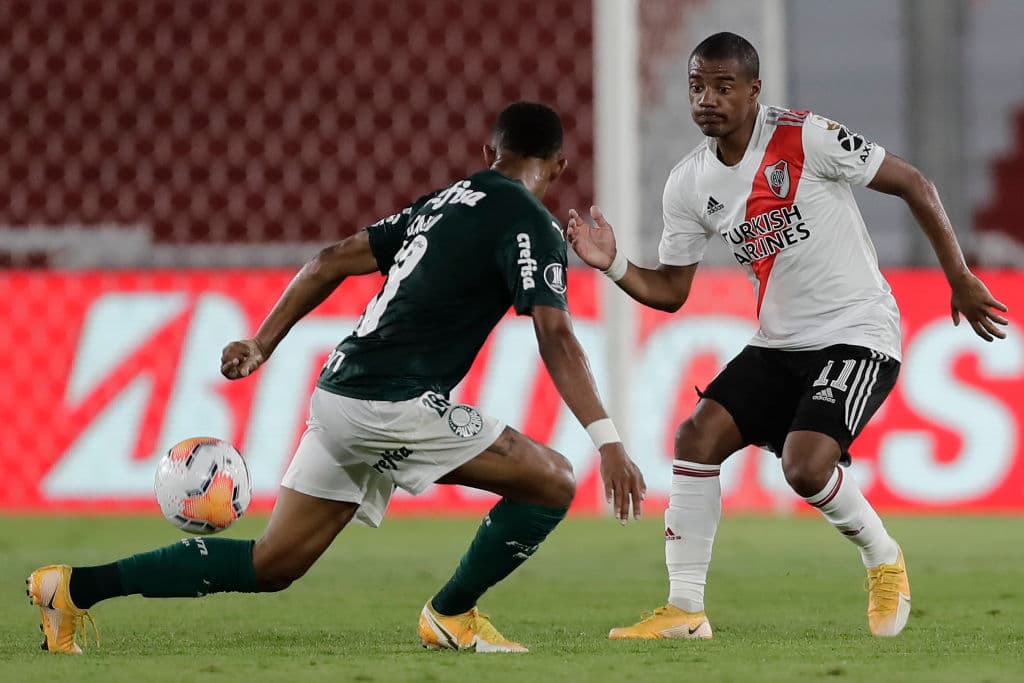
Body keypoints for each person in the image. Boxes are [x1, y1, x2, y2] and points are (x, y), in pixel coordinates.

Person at [27, 101, 646, 655]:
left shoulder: (440, 203)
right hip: (392, 403)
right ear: (559, 167)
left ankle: (73, 588)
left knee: (273, 563)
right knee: (554, 482)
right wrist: (609, 441)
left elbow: (330, 260)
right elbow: (555, 333)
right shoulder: (531, 223)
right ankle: (452, 614)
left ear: (489, 153)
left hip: (337, 394)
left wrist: (261, 342)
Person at [566, 32, 1008, 640]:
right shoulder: (689, 184)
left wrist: (958, 277)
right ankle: (686, 610)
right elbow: (670, 290)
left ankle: (883, 559)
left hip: (858, 331)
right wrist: (613, 263)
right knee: (696, 437)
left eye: (724, 87)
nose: (708, 100)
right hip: (779, 342)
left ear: (754, 91)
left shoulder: (807, 136)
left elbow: (914, 184)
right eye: (697, 86)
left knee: (804, 467)